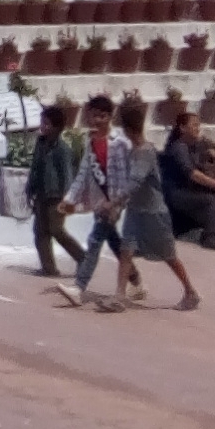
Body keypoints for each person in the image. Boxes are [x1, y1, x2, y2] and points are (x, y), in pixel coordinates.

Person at [116, 95, 203, 309]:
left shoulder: (145, 152)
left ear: (127, 130)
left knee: (168, 255)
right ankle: (118, 296)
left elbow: (134, 182)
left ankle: (190, 292)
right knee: (125, 250)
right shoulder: (134, 151)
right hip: (136, 211)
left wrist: (113, 203)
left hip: (153, 214)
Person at [66, 95, 140, 308]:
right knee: (114, 241)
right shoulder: (90, 142)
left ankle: (79, 287)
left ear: (109, 116)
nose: (97, 120)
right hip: (100, 203)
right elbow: (83, 174)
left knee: (95, 241)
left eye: (102, 115)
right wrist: (70, 199)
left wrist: (118, 203)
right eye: (94, 115)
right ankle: (136, 280)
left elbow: (128, 175)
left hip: (114, 202)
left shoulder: (121, 143)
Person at [157, 100, 215, 254]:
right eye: (194, 125)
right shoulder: (178, 148)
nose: (197, 129)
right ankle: (211, 238)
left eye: (198, 125)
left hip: (191, 190)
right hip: (178, 193)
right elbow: (192, 174)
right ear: (182, 128)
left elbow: (214, 151)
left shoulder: (196, 144)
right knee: (212, 201)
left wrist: (211, 152)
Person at [24, 100, 85, 283]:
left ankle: (83, 258)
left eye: (47, 124)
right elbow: (35, 168)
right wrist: (30, 189)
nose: (43, 126)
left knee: (56, 229)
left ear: (57, 127)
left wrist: (68, 199)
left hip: (57, 196)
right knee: (40, 231)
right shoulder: (41, 144)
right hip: (42, 195)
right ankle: (48, 267)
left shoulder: (62, 150)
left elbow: (67, 175)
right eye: (42, 122)